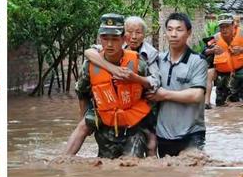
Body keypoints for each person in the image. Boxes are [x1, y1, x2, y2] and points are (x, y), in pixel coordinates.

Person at [66, 14, 153, 158]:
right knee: (103, 166)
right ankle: (61, 162)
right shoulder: (90, 65)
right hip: (106, 121)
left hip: (133, 125)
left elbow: (151, 95)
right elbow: (82, 92)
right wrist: (85, 119)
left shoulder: (138, 64)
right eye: (105, 39)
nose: (110, 44)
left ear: (124, 39)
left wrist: (151, 133)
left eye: (115, 39)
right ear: (100, 39)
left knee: (130, 166)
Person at [146, 13, 208, 157]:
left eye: (179, 30)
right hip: (163, 135)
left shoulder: (198, 61)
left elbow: (197, 95)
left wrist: (164, 95)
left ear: (189, 33)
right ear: (165, 32)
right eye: (170, 29)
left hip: (192, 134)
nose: (173, 34)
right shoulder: (158, 60)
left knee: (192, 174)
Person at [210, 13, 243, 105]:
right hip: (223, 74)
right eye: (221, 27)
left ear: (233, 25)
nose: (224, 29)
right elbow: (204, 51)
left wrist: (241, 49)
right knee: (220, 103)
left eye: (227, 26)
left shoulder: (242, 34)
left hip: (240, 72)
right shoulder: (215, 38)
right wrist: (212, 50)